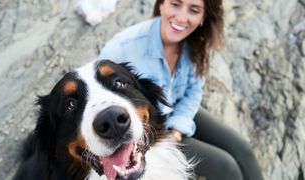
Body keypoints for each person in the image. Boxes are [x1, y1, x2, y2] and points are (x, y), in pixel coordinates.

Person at [98, 0, 264, 179]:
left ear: (203, 17)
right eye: (175, 4)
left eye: (194, 10)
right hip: (148, 128)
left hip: (177, 108)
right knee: (226, 168)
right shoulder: (121, 49)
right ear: (161, 4)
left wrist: (179, 127)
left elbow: (193, 91)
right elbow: (102, 101)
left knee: (243, 150)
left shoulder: (195, 43)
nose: (182, 17)